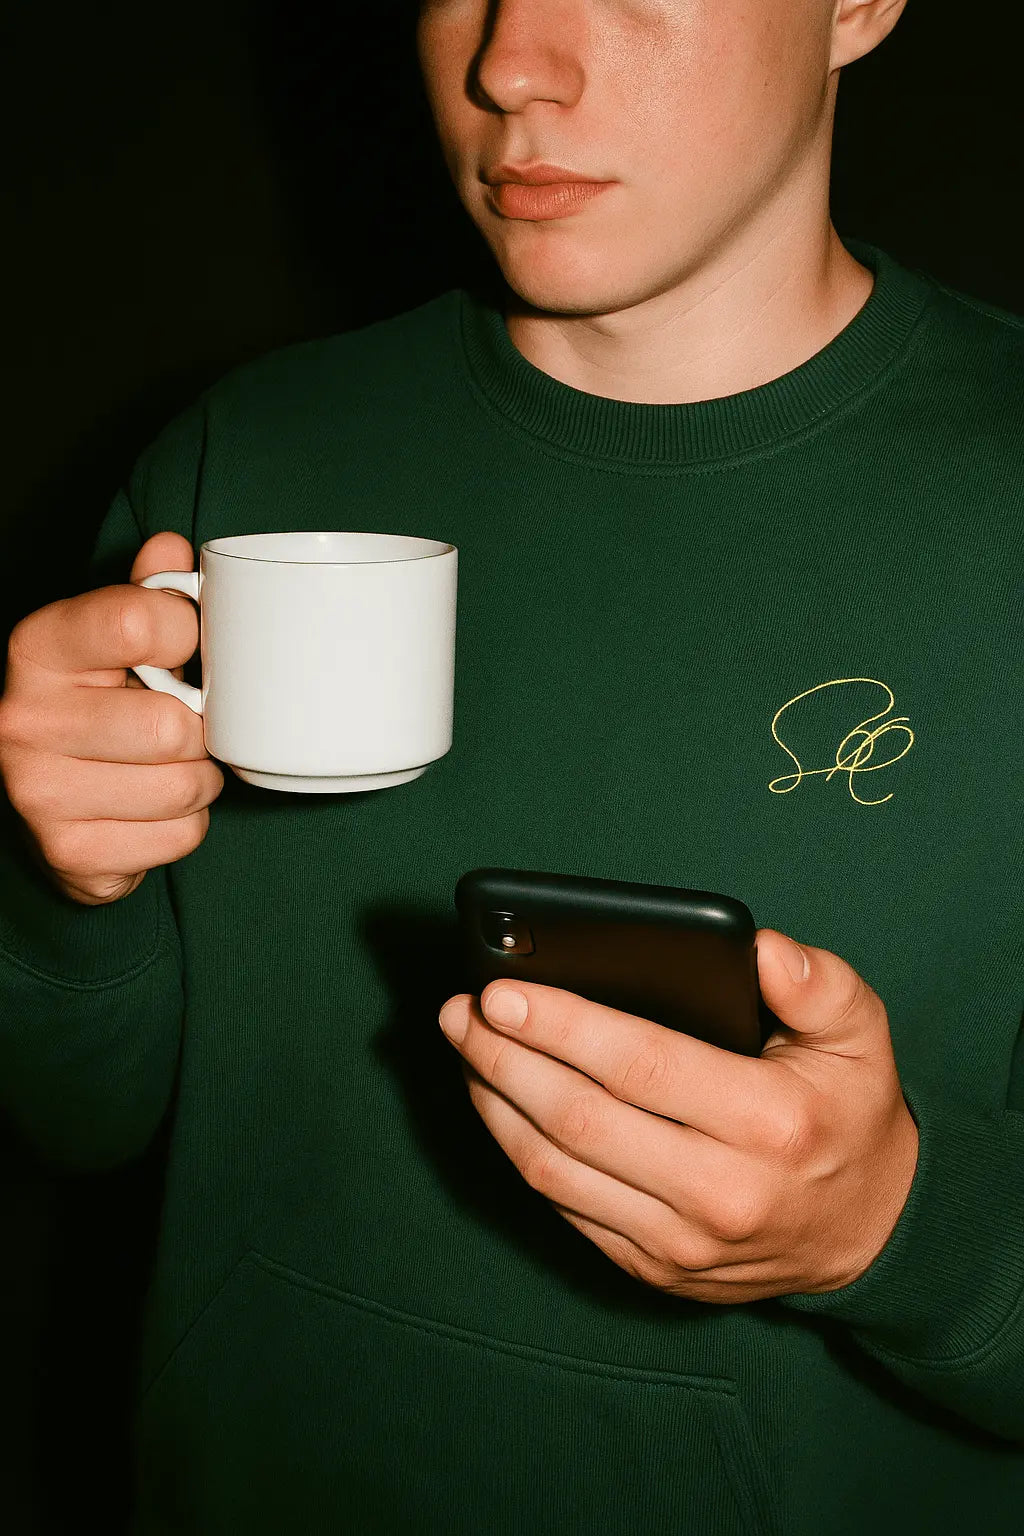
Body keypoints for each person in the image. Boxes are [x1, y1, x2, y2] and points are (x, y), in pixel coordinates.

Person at [1, 0, 1022, 1530]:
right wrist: (54, 883)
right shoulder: (246, 455)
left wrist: (901, 1229)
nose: (509, 61)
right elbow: (76, 1119)